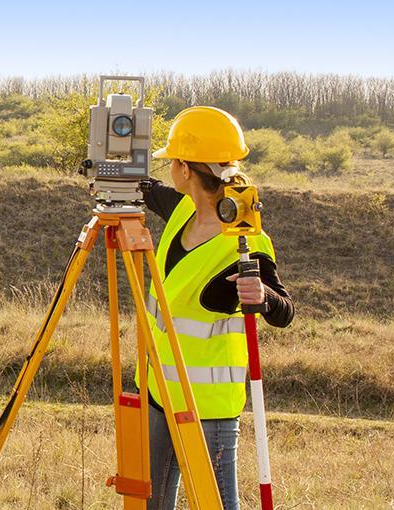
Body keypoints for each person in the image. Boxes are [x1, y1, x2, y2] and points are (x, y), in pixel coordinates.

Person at [139, 106, 294, 510]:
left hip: (209, 407)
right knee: (152, 502)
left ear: (186, 169)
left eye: (172, 161)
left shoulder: (245, 242)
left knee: (215, 506)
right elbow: (147, 189)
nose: (169, 169)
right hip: (160, 391)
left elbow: (285, 311)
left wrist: (262, 297)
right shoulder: (182, 209)